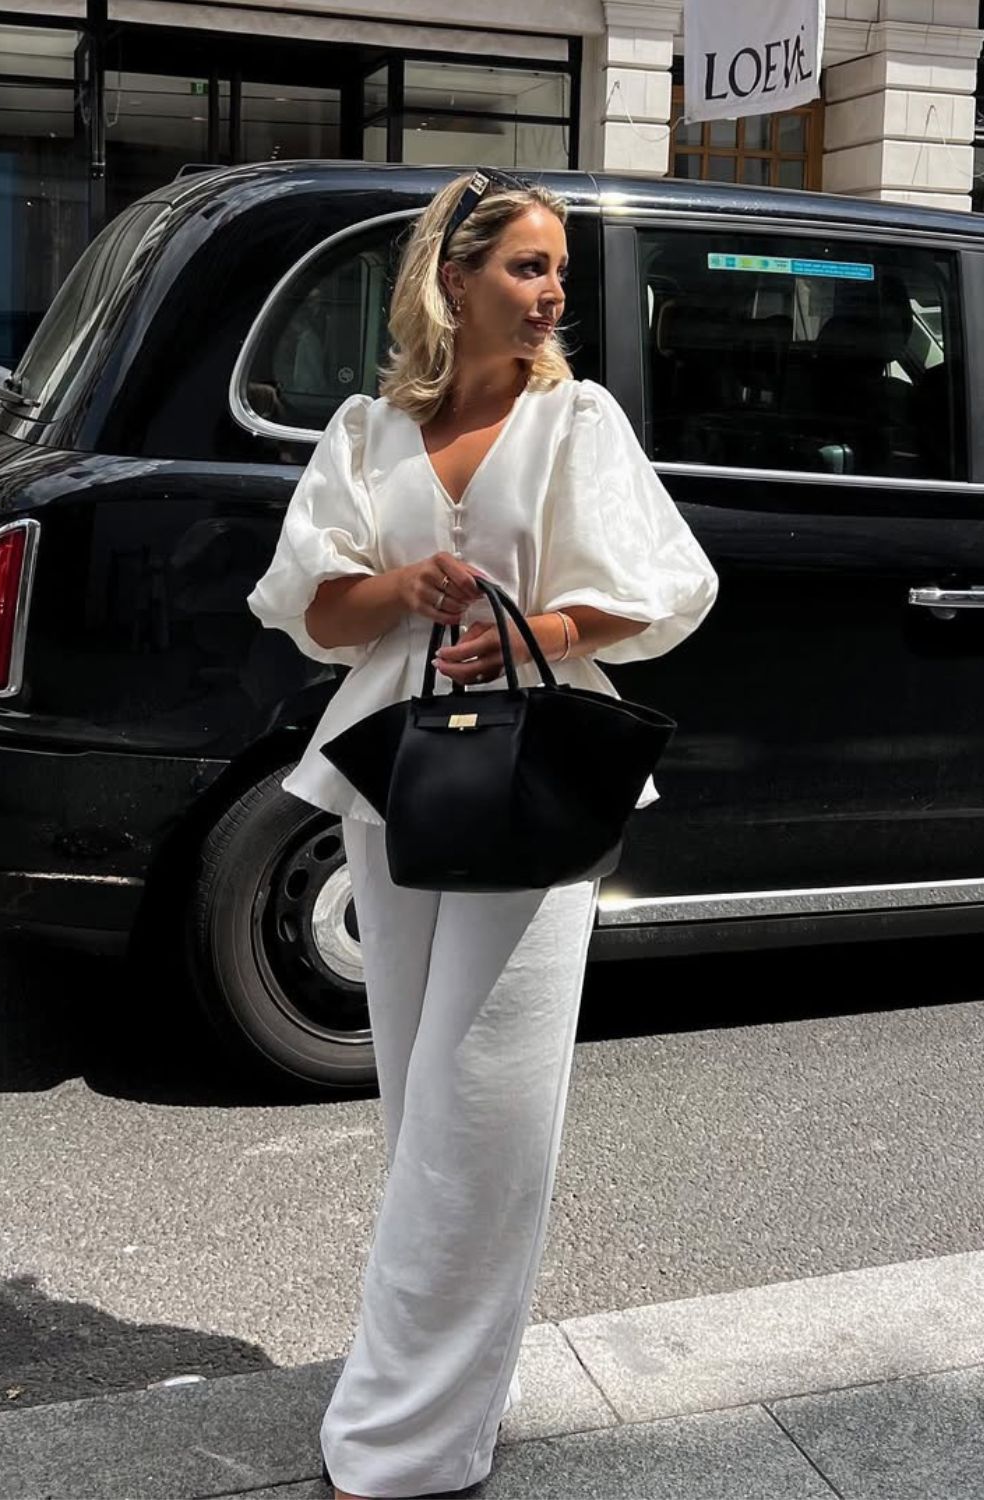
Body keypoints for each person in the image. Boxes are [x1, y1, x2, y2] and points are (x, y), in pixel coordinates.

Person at [246, 167, 719, 1500]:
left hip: (534, 775)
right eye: (526, 264)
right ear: (451, 280)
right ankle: (453, 1387)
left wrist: (539, 630)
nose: (553, 290)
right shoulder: (367, 430)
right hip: (396, 769)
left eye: (558, 268)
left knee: (487, 1103)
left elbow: (663, 589)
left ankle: (402, 1438)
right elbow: (313, 608)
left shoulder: (577, 421)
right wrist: (407, 585)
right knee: (417, 1093)